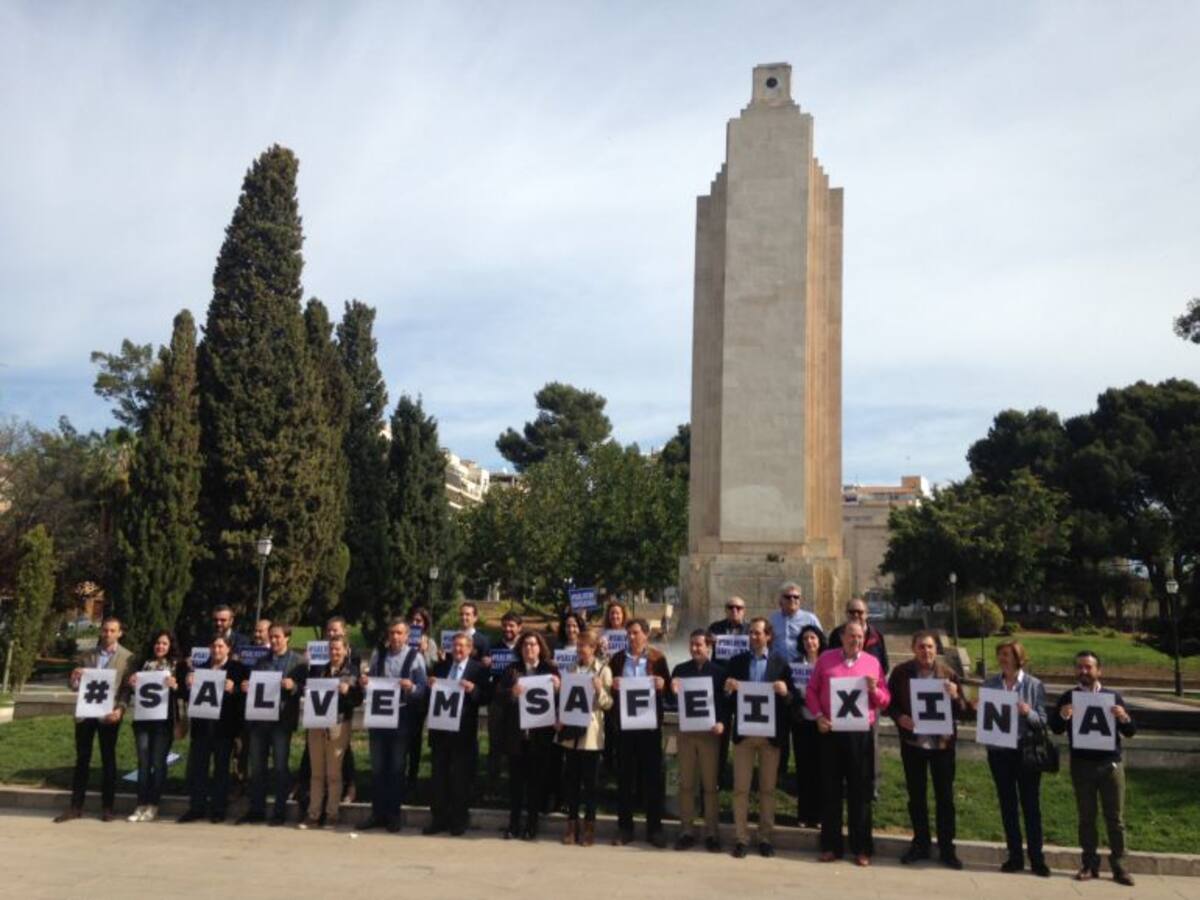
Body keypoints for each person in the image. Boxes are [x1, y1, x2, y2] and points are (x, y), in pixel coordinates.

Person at [1050, 651, 1137, 885]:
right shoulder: (1069, 697)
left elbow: (1130, 731)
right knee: (1086, 818)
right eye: (1079, 667)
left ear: (1099, 670)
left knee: (1115, 818)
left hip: (1110, 764)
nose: (1083, 671)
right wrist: (1062, 714)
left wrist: (1124, 717)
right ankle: (1089, 864)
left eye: (1088, 667)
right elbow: (1055, 728)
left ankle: (1120, 866)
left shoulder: (1112, 696)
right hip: (1082, 765)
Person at [807, 619, 890, 866]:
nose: (856, 641)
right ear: (842, 637)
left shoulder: (873, 663)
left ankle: (862, 847)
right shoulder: (826, 659)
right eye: (852, 636)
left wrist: (874, 690)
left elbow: (885, 700)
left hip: (860, 735)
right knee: (830, 791)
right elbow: (812, 691)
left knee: (860, 792)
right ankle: (831, 845)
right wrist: (819, 716)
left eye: (860, 637)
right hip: (831, 732)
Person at [887, 630, 966, 869]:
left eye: (930, 647)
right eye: (921, 647)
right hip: (913, 744)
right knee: (917, 796)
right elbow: (889, 703)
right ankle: (920, 843)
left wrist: (955, 697)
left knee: (945, 798)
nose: (926, 651)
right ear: (913, 649)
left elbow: (963, 711)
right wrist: (899, 717)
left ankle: (946, 847)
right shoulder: (901, 673)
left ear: (936, 649)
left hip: (942, 745)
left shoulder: (948, 674)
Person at [724, 617, 796, 858]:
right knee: (740, 789)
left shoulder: (781, 663)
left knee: (767, 789)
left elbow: (792, 700)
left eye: (758, 633)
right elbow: (726, 699)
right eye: (751, 633)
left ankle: (765, 837)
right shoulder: (737, 662)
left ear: (768, 636)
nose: (754, 637)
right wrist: (729, 688)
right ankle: (741, 838)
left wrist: (785, 693)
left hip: (770, 737)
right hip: (744, 735)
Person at [55, 616, 135, 823]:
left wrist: (121, 709)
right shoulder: (87, 655)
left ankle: (108, 807)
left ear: (119, 633)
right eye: (105, 630)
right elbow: (74, 686)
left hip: (109, 715)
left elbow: (126, 689)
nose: (108, 634)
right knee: (82, 759)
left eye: (112, 631)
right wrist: (74, 679)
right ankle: (75, 806)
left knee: (108, 760)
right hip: (86, 713)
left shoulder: (127, 658)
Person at [982, 640, 1050, 877]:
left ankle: (1037, 858)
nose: (1003, 658)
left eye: (1008, 654)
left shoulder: (1033, 685)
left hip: (1025, 752)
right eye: (1000, 654)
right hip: (1000, 753)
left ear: (1019, 657)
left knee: (1031, 806)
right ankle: (1015, 856)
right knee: (1007, 805)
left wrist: (1027, 712)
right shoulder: (990, 684)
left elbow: (1042, 721)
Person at [359, 618, 427, 832]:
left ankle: (393, 814)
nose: (395, 637)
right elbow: (370, 685)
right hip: (379, 717)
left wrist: (412, 687)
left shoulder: (416, 658)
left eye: (399, 633)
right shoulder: (379, 655)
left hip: (402, 717)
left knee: (397, 768)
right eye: (391, 633)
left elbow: (423, 689)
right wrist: (364, 684)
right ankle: (377, 812)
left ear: (407, 636)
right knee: (378, 768)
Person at [608, 617, 670, 848]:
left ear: (646, 634)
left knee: (652, 779)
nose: (631, 637)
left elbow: (669, 692)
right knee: (625, 779)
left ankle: (655, 828)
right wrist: (612, 686)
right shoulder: (618, 659)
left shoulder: (657, 658)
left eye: (635, 633)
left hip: (649, 728)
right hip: (625, 729)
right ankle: (625, 828)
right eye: (629, 633)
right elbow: (607, 690)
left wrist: (663, 685)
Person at [238, 623, 305, 825]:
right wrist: (247, 686)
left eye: (277, 637)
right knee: (257, 767)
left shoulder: (298, 663)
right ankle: (256, 809)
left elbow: (307, 688)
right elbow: (255, 686)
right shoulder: (261, 662)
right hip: (259, 721)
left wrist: (294, 686)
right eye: (271, 637)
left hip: (281, 722)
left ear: (287, 638)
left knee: (280, 767)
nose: (273, 640)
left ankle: (279, 811)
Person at [424, 632, 490, 836]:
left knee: (460, 780)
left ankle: (459, 820)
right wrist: (430, 685)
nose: (458, 650)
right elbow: (430, 696)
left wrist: (473, 690)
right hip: (440, 732)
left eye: (462, 646)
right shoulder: (441, 667)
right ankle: (439, 819)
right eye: (455, 646)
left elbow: (486, 697)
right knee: (439, 778)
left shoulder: (477, 670)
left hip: (463, 734)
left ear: (470, 649)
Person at [498, 631, 559, 840]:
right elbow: (499, 697)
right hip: (517, 737)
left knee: (535, 784)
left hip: (539, 737)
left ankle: (531, 826)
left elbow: (560, 702)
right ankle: (513, 825)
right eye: (525, 645)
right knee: (515, 785)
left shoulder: (550, 669)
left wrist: (558, 689)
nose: (529, 648)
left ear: (540, 647)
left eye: (533, 645)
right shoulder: (512, 670)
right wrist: (511, 693)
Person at [295, 616, 361, 813]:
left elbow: (357, 699)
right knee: (316, 773)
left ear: (345, 650)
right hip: (317, 724)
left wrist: (348, 691)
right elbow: (307, 688)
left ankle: (332, 812)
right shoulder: (319, 669)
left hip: (338, 724)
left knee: (333, 773)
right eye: (331, 649)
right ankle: (313, 813)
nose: (334, 652)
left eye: (338, 649)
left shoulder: (351, 671)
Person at [178, 635, 246, 823]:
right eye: (214, 646)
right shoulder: (200, 669)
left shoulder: (237, 669)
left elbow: (245, 696)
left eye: (221, 646)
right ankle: (196, 807)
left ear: (228, 649)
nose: (217, 650)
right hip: (201, 728)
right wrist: (187, 683)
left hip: (224, 729)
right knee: (199, 769)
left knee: (221, 771)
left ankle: (218, 808)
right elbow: (185, 695)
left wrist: (235, 689)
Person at [670, 629, 727, 852]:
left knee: (710, 785)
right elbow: (669, 701)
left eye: (699, 645)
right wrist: (672, 690)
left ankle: (711, 831)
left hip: (709, 735)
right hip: (686, 734)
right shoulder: (680, 670)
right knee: (686, 784)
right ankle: (686, 830)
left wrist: (722, 722)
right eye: (692, 644)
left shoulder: (719, 672)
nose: (695, 648)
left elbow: (724, 704)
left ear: (708, 646)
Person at [556, 629, 612, 847]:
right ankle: (571, 824)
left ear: (594, 647)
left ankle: (589, 826)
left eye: (585, 646)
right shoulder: (570, 669)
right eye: (578, 646)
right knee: (571, 782)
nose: (581, 649)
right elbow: (565, 699)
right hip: (571, 734)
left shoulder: (603, 671)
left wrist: (600, 691)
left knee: (590, 784)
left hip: (591, 734)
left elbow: (608, 704)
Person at [829, 598, 888, 797]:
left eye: (860, 612)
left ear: (866, 614)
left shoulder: (877, 636)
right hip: (841, 699)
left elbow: (883, 665)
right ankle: (843, 782)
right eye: (852, 611)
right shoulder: (837, 634)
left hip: (868, 700)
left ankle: (871, 784)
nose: (856, 615)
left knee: (871, 742)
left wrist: (874, 686)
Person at [126, 630, 182, 822]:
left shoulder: (176, 666)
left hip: (164, 722)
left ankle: (153, 804)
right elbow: (134, 691)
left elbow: (184, 692)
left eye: (164, 644)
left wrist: (175, 685)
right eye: (158, 643)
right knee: (143, 763)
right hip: (143, 721)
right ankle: (140, 803)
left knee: (158, 763)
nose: (160, 647)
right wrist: (132, 683)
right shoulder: (143, 665)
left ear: (170, 646)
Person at [791, 624, 826, 828]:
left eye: (813, 638)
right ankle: (804, 814)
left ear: (819, 640)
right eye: (805, 639)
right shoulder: (795, 664)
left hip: (822, 723)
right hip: (802, 722)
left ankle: (820, 815)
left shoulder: (827, 663)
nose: (809, 642)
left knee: (823, 770)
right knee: (803, 769)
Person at [487, 611, 523, 781]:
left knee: (516, 742)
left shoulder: (523, 648)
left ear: (519, 628)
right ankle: (493, 779)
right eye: (505, 625)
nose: (507, 629)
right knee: (495, 740)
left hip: (519, 701)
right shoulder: (494, 647)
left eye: (512, 626)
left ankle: (515, 777)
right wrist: (486, 664)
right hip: (498, 700)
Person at [405, 605, 436, 788]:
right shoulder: (403, 638)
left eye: (419, 621)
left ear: (425, 624)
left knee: (415, 737)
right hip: (401, 695)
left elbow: (432, 668)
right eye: (413, 620)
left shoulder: (430, 643)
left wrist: (424, 652)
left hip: (419, 696)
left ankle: (413, 775)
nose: (416, 623)